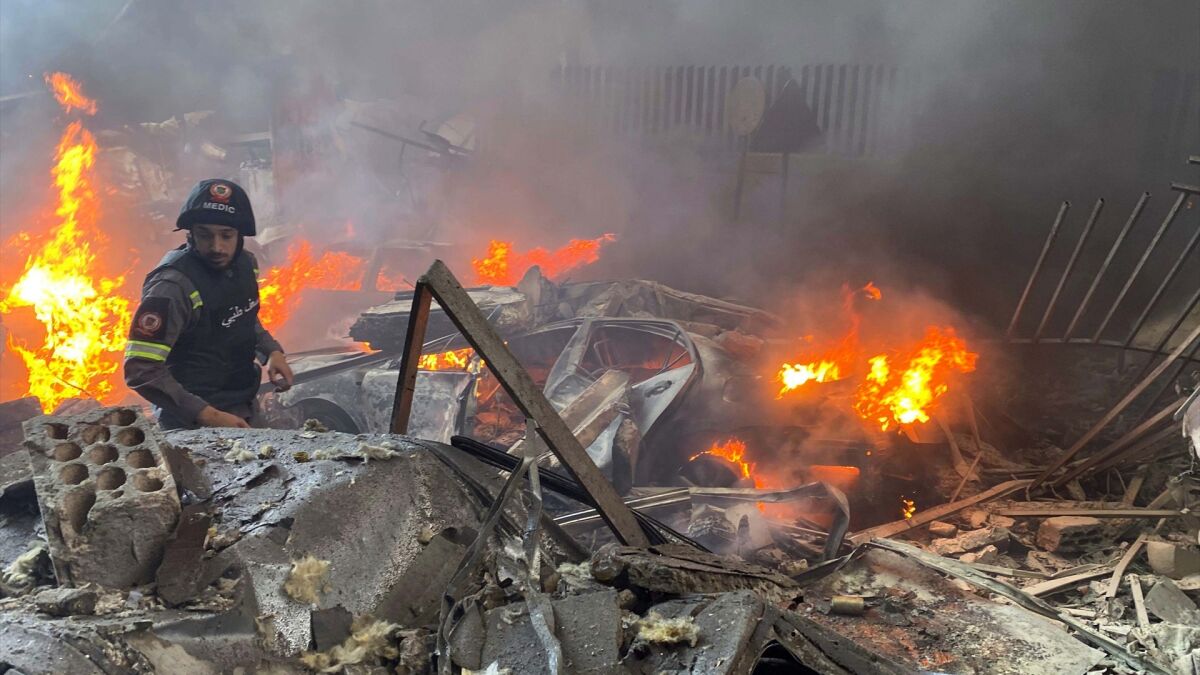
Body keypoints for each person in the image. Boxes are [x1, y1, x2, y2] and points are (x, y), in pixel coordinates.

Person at [124, 179, 294, 430]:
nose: (217, 247)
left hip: (242, 404)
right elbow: (141, 368)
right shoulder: (172, 288)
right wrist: (207, 415)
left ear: (240, 235)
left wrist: (271, 351)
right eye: (205, 235)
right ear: (191, 234)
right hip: (190, 420)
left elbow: (240, 315)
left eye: (226, 235)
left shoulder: (246, 265)